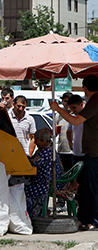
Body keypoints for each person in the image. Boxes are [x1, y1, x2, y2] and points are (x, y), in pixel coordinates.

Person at [51, 75, 98, 231]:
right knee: (85, 189)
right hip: (88, 152)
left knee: (92, 189)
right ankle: (86, 218)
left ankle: (93, 220)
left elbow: (76, 121)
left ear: (84, 87)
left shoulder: (95, 100)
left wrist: (58, 109)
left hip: (94, 153)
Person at [25, 128, 62, 218]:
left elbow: (34, 163)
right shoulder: (42, 150)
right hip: (42, 180)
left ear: (45, 141)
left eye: (37, 141)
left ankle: (36, 214)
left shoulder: (47, 151)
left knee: (25, 189)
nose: (36, 143)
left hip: (48, 183)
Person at [66, 94, 85, 225]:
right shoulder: (73, 119)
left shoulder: (85, 117)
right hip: (76, 155)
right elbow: (68, 131)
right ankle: (79, 211)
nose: (72, 110)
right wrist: (70, 143)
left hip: (87, 155)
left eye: (74, 107)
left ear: (81, 105)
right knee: (76, 186)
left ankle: (84, 214)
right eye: (70, 108)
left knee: (86, 187)